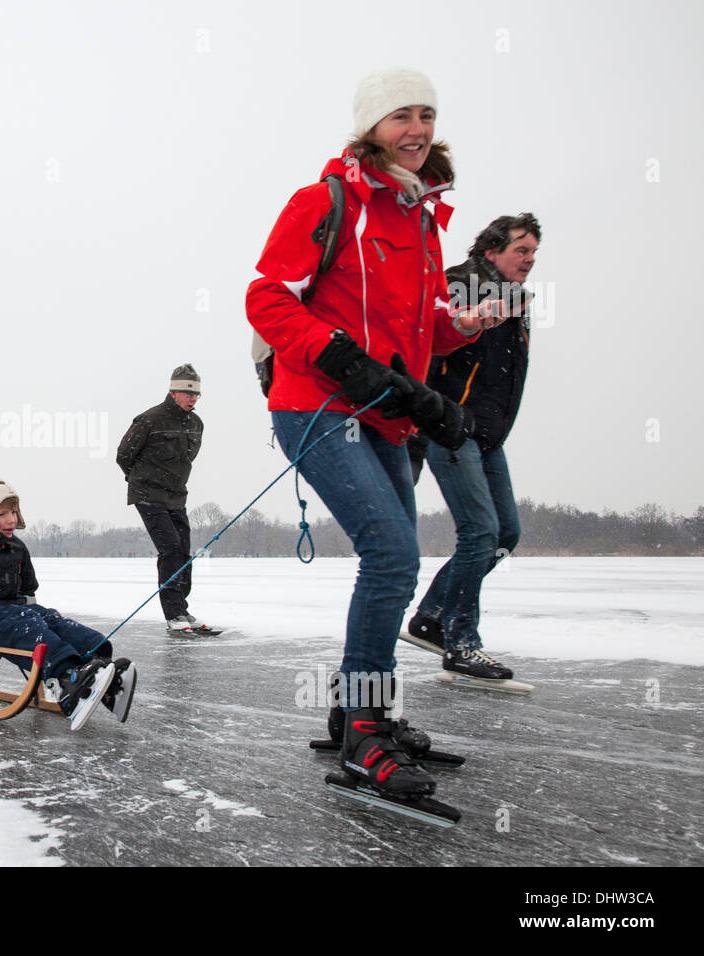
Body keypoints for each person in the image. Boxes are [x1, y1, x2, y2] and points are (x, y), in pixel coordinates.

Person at [245, 67, 510, 809]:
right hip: (317, 403)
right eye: (402, 116)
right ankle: (365, 725)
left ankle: (361, 706)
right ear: (372, 127)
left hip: (386, 413)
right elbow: (266, 297)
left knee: (396, 559)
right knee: (391, 554)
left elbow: (416, 320)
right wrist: (332, 354)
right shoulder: (325, 202)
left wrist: (459, 325)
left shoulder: (422, 218)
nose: (418, 129)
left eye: (427, 114)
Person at [404, 214, 541, 682]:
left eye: (533, 253)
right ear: (491, 251)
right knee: (480, 533)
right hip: (452, 429)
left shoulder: (517, 302)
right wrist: (419, 427)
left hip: (488, 437)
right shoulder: (459, 286)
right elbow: (424, 357)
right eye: (521, 250)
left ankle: (431, 618)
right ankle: (462, 642)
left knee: (505, 535)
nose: (529, 260)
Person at [0, 476, 136, 729]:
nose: (11, 519)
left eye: (13, 511)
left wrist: (37, 614)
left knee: (52, 618)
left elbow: (28, 589)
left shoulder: (17, 547)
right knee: (25, 622)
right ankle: (65, 679)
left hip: (12, 613)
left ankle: (100, 667)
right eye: (2, 514)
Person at [116, 364, 215, 635]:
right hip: (148, 495)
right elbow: (124, 454)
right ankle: (172, 613)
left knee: (183, 551)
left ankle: (182, 608)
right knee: (170, 548)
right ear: (173, 392)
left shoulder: (196, 424)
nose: (192, 398)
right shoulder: (149, 419)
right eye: (187, 392)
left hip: (176, 496)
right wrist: (141, 480)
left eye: (196, 394)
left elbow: (188, 459)